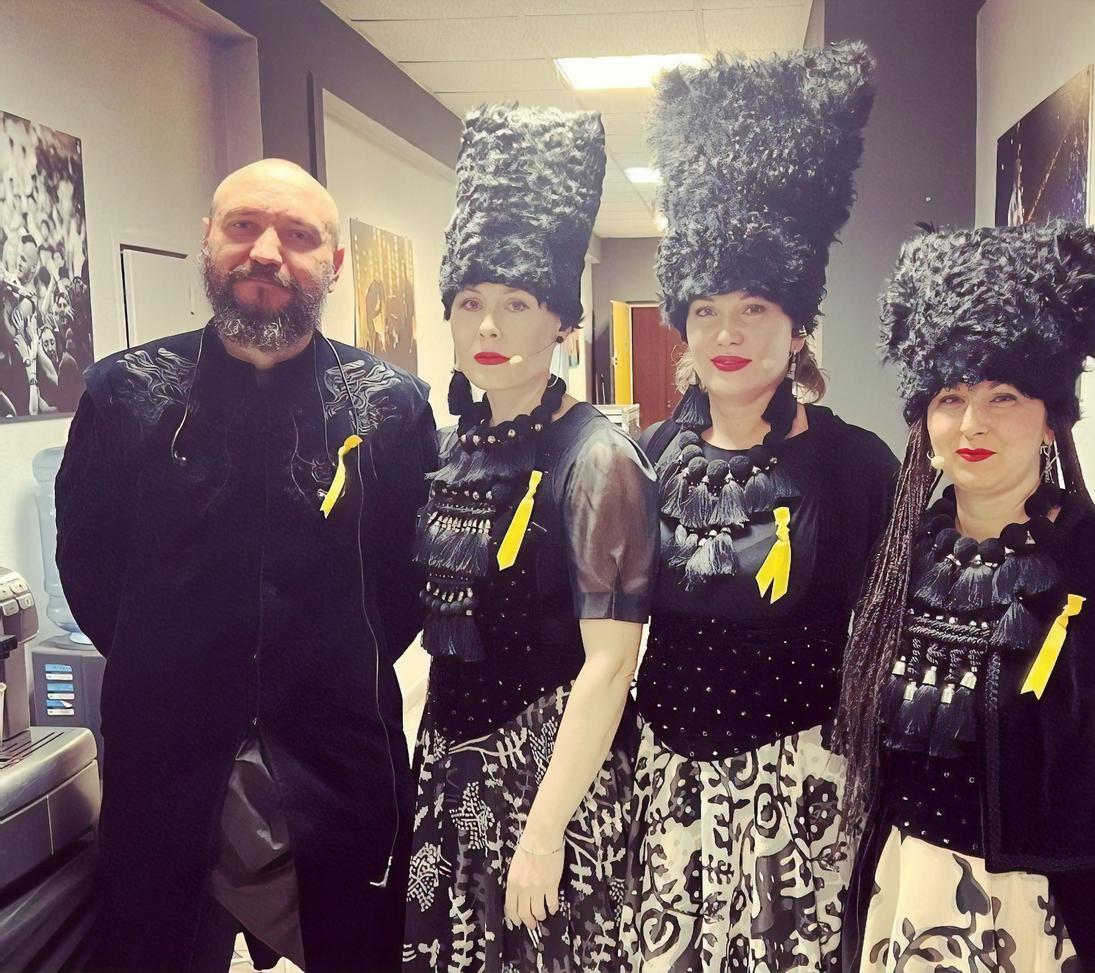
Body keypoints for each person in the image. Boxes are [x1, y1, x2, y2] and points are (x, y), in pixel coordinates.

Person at [56, 158, 436, 972]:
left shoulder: (391, 407)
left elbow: (407, 583)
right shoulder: (123, 395)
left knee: (363, 950)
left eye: (298, 235)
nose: (266, 251)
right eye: (243, 226)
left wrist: (323, 660)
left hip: (342, 758)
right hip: (163, 756)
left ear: (334, 263)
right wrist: (174, 657)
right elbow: (87, 565)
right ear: (208, 241)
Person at [837, 221, 1095, 972]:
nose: (972, 423)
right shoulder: (898, 563)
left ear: (1050, 417)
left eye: (1003, 395)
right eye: (950, 397)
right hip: (904, 903)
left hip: (1046, 928)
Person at [620, 45, 899, 973]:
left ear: (797, 323)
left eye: (753, 308)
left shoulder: (855, 464)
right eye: (705, 310)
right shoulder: (649, 456)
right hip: (666, 783)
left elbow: (889, 639)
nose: (727, 333)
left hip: (800, 789)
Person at [403, 105, 657, 972]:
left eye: (515, 303)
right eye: (470, 302)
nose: (488, 326)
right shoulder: (455, 445)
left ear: (560, 323)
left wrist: (545, 830)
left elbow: (610, 665)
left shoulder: (598, 459)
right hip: (451, 764)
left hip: (550, 781)